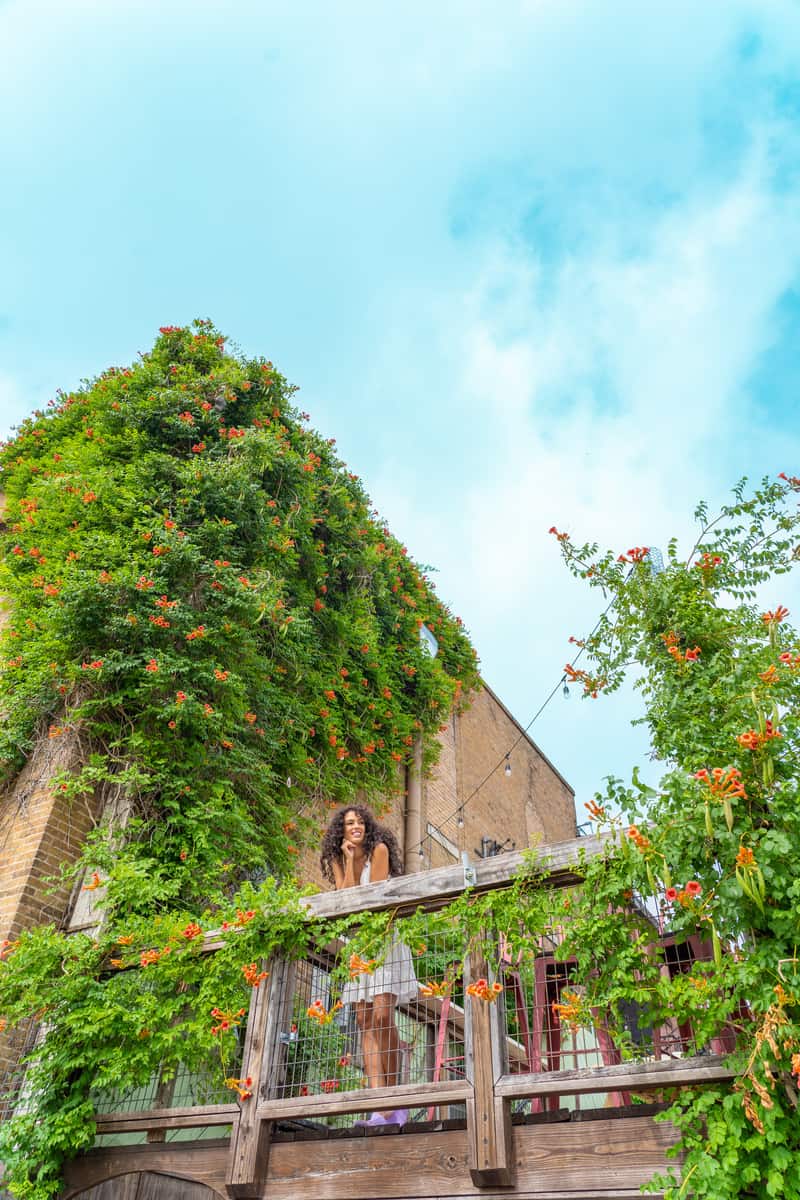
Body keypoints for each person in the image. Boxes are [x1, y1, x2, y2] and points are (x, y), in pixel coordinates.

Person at [320, 804, 417, 1127]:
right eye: (349, 823)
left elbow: (372, 898)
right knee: (363, 1019)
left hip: (384, 939)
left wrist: (356, 868)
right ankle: (380, 1107)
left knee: (381, 1014)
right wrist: (347, 861)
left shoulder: (379, 849)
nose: (356, 826)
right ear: (342, 831)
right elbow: (345, 900)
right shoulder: (339, 858)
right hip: (360, 944)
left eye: (360, 821)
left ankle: (392, 1094)